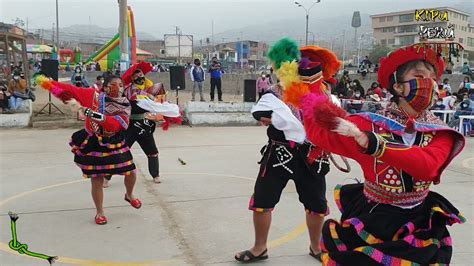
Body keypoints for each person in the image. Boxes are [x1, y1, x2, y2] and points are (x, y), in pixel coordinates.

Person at [292, 44, 465, 265]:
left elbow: (428, 167)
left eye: (433, 78)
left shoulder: (441, 132)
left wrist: (377, 146)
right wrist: (311, 81)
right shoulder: (370, 125)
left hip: (420, 220)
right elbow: (321, 131)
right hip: (374, 216)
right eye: (419, 75)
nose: (429, 83)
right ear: (398, 86)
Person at [235, 39, 340, 263]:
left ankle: (315, 247)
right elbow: (260, 111)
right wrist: (276, 119)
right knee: (263, 201)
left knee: (317, 205)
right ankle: (259, 247)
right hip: (279, 155)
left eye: (315, 67)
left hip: (313, 156)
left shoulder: (327, 94)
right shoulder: (278, 90)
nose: (309, 68)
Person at [36, 74, 142, 225]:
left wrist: (93, 115)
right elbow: (71, 90)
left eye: (120, 84)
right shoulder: (94, 96)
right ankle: (100, 212)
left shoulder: (125, 104)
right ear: (105, 87)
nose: (118, 87)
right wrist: (48, 83)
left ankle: (129, 194)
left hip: (114, 141)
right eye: (114, 84)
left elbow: (115, 125)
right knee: (97, 179)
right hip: (94, 142)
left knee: (131, 172)